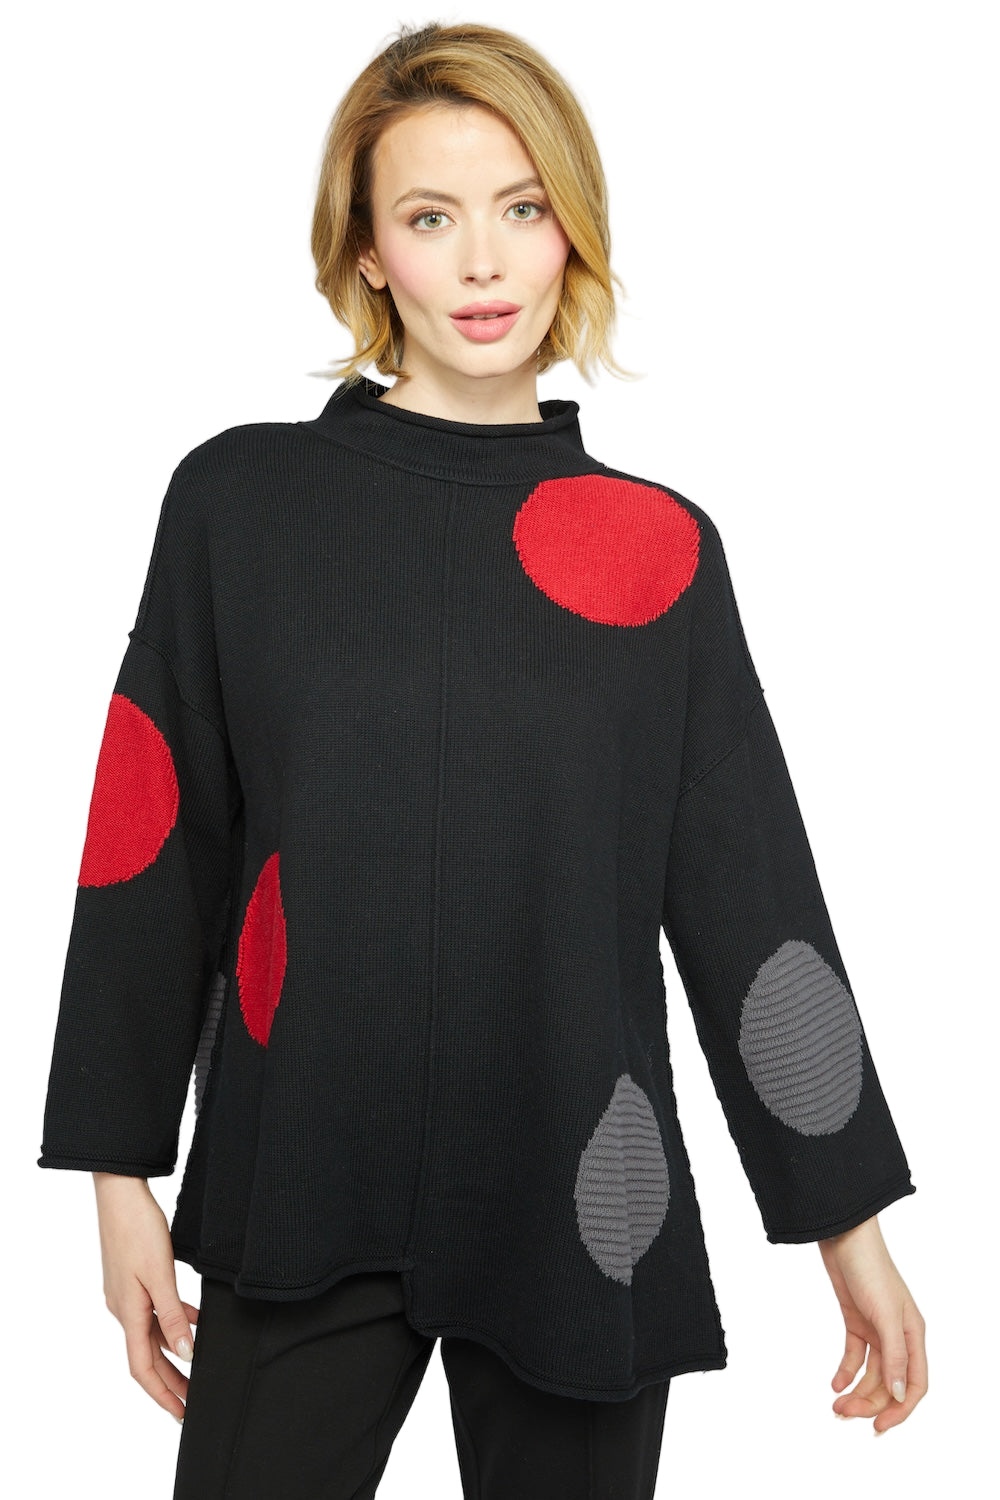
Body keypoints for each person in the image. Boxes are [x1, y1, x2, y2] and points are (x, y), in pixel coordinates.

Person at [36, 19, 927, 1499]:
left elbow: (751, 899)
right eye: (431, 217)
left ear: (572, 227)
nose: (485, 261)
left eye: (521, 207)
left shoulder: (658, 551)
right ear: (368, 250)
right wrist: (117, 1178)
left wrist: (852, 1230)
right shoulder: (242, 506)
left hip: (581, 1175)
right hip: (303, 1155)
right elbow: (154, 837)